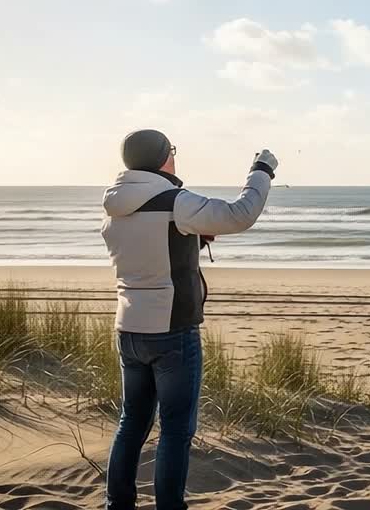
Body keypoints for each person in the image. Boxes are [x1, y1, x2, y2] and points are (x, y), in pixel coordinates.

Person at [100, 129, 277, 510]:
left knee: (132, 424)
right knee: (176, 430)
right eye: (172, 151)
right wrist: (261, 171)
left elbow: (145, 251)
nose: (175, 158)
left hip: (129, 329)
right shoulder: (175, 200)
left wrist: (190, 241)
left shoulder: (114, 207)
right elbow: (240, 214)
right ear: (164, 157)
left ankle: (117, 504)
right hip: (172, 332)